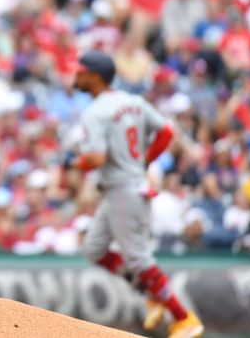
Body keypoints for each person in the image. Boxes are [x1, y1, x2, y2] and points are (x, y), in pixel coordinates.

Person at [67, 51, 204, 338]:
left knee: (139, 259)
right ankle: (152, 294)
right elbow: (167, 132)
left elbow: (97, 158)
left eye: (81, 72)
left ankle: (184, 317)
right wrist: (145, 161)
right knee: (95, 249)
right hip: (127, 185)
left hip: (122, 189)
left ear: (94, 76)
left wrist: (75, 162)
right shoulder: (134, 101)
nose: (76, 76)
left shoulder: (94, 112)